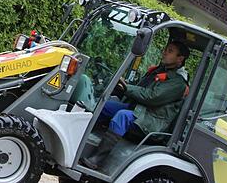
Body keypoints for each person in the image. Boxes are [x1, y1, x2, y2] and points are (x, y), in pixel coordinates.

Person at [81, 40, 190, 170]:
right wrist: (125, 85)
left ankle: (97, 159)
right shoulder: (159, 71)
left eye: (170, 51)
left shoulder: (178, 83)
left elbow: (151, 97)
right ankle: (81, 140)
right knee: (105, 106)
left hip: (152, 120)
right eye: (166, 49)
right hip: (141, 110)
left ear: (180, 59)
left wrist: (127, 88)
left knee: (123, 116)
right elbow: (140, 88)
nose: (164, 52)